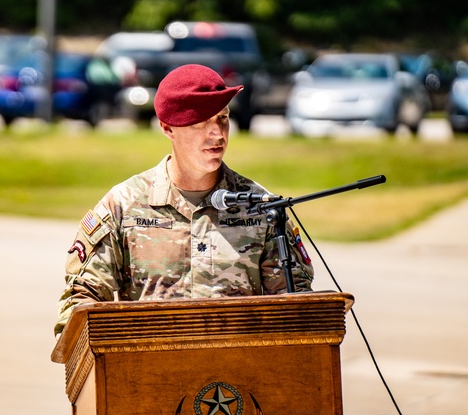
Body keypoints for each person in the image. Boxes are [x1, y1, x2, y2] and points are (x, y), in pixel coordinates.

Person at [54, 64, 314, 335]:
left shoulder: (261, 207)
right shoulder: (123, 205)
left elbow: (296, 309)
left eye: (223, 118)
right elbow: (81, 302)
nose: (217, 133)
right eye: (202, 122)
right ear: (168, 128)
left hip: (241, 372)